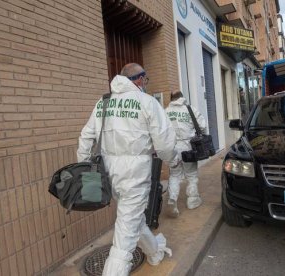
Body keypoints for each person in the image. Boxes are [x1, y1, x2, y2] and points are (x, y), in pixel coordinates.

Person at [77, 63, 179, 276]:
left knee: (133, 220)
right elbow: (165, 145)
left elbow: (86, 138)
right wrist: (174, 161)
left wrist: (85, 167)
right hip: (135, 174)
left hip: (109, 175)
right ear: (140, 79)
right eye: (146, 80)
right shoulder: (147, 103)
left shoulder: (103, 103)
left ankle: (154, 253)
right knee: (123, 243)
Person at [165, 91, 207, 217]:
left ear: (171, 99)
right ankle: (192, 201)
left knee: (174, 175)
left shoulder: (165, 111)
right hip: (188, 147)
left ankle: (172, 199)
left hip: (172, 148)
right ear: (182, 98)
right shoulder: (190, 109)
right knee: (191, 175)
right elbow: (203, 127)